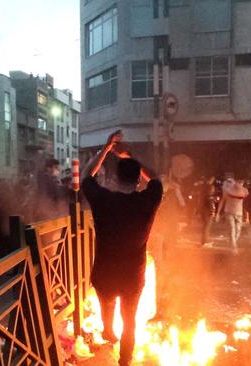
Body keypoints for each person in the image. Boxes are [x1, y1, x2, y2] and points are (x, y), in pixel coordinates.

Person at [81, 130, 162, 366]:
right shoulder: (147, 201)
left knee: (107, 304)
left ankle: (107, 330)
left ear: (115, 179)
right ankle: (124, 361)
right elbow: (156, 178)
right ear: (139, 180)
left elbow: (87, 175)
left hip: (104, 274)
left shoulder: (103, 200)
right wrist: (130, 154)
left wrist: (106, 148)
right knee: (130, 321)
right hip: (132, 276)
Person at [216, 178, 249, 254]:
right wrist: (218, 212)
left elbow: (246, 205)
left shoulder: (244, 191)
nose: (240, 184)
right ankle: (234, 247)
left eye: (241, 182)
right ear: (236, 182)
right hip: (229, 212)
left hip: (239, 213)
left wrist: (247, 216)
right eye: (239, 182)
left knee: (238, 231)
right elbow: (222, 201)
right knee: (232, 229)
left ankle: (232, 242)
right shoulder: (228, 191)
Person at [199, 176, 218, 246]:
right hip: (207, 213)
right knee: (207, 227)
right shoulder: (209, 196)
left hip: (203, 211)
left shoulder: (203, 192)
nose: (213, 190)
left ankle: (204, 241)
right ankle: (205, 241)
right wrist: (212, 212)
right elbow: (211, 205)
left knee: (205, 227)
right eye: (213, 189)